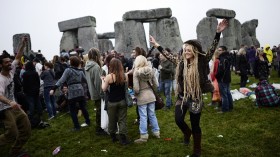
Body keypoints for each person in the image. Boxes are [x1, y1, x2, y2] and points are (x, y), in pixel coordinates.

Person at [149, 19, 228, 157]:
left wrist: (217, 34)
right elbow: (168, 55)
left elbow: (211, 50)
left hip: (195, 98)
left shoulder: (202, 60)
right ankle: (187, 133)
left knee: (195, 124)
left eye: (188, 50)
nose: (185, 52)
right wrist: (156, 45)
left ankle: (197, 150)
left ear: (194, 50)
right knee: (178, 120)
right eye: (184, 50)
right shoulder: (180, 62)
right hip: (182, 96)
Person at [0, 36, 31, 157]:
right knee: (12, 133)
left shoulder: (12, 70)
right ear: (1, 65)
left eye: (9, 62)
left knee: (26, 130)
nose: (9, 64)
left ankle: (14, 152)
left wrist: (23, 44)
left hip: (14, 105)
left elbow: (18, 57)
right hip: (4, 108)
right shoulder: (1, 79)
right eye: (6, 62)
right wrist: (10, 102)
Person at [50, 56, 90, 131]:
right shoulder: (80, 71)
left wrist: (54, 88)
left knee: (72, 110)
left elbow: (61, 80)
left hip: (72, 91)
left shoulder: (68, 70)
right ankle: (88, 121)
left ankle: (77, 126)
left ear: (71, 62)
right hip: (80, 90)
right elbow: (85, 80)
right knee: (83, 107)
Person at [101, 58, 130, 145]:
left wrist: (103, 80)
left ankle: (113, 137)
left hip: (112, 102)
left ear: (111, 66)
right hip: (122, 101)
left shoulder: (109, 76)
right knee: (122, 120)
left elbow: (104, 89)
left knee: (112, 120)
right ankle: (123, 138)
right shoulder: (125, 75)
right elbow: (126, 88)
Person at [133, 55, 160, 143]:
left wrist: (135, 94)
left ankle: (144, 135)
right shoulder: (151, 71)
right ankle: (156, 132)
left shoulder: (136, 72)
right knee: (152, 114)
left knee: (143, 116)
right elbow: (156, 85)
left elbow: (136, 88)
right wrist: (154, 92)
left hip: (141, 96)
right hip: (151, 95)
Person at [85, 48, 107, 135]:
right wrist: (102, 94)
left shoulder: (87, 65)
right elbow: (98, 83)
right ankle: (99, 129)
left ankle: (99, 127)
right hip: (97, 92)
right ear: (96, 55)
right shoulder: (95, 67)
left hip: (92, 91)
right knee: (100, 111)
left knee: (98, 110)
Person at [216, 45, 233, 113]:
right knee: (228, 93)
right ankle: (230, 106)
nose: (218, 51)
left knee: (224, 95)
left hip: (222, 78)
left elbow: (221, 70)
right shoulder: (228, 57)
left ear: (224, 51)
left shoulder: (223, 58)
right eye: (218, 50)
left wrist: (217, 76)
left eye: (220, 50)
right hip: (227, 78)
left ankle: (225, 109)